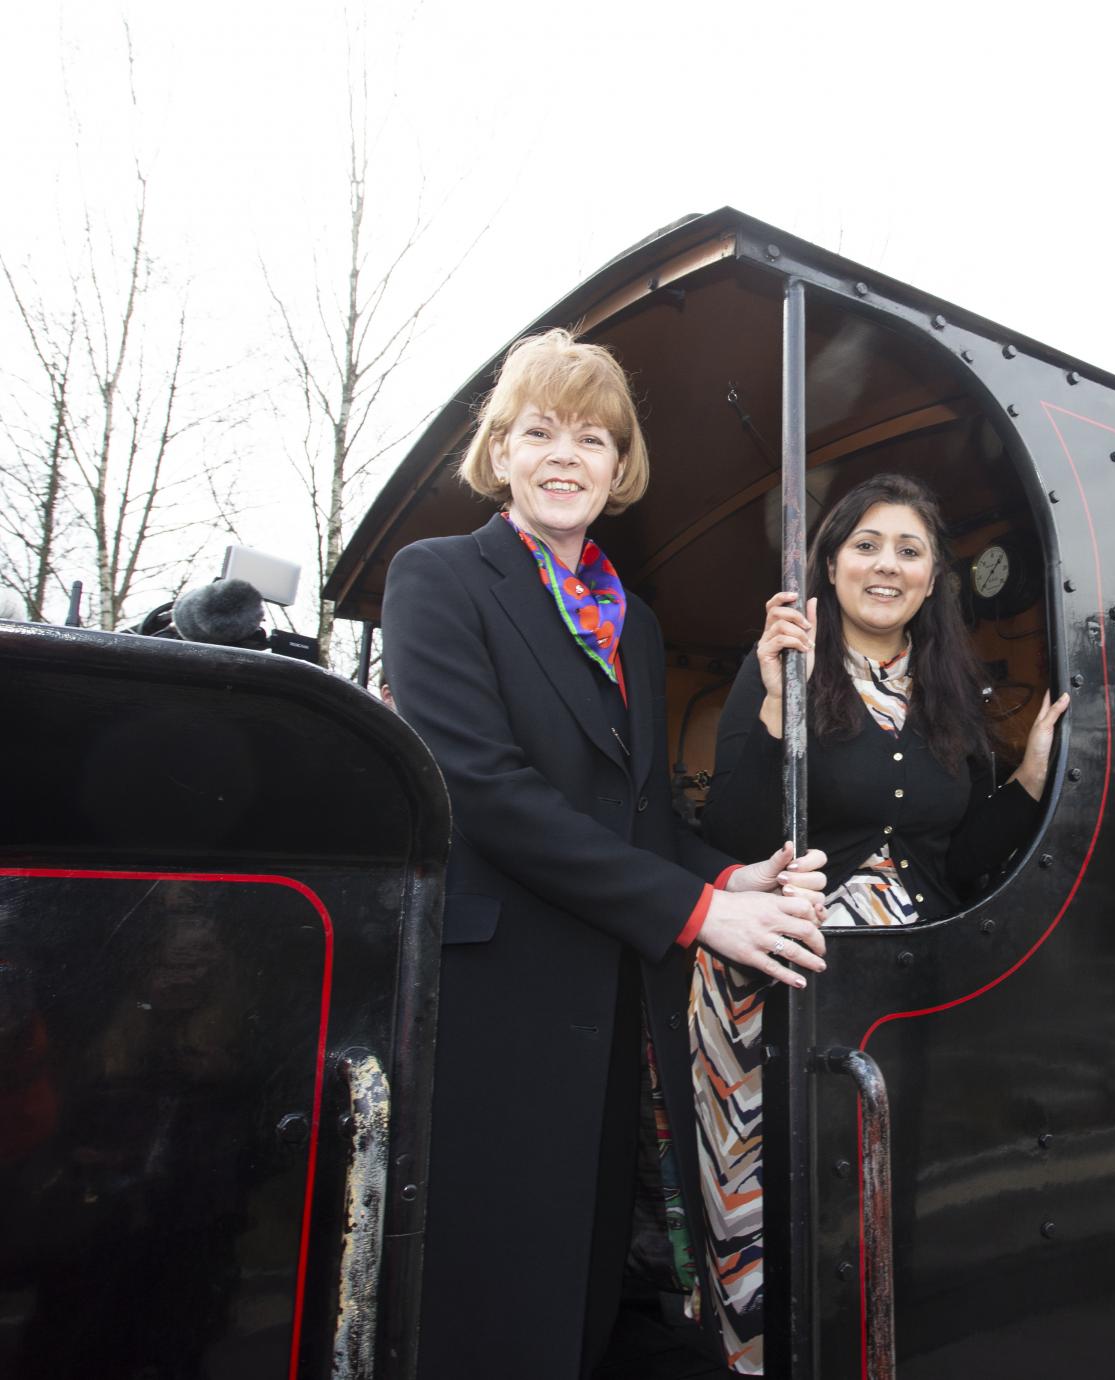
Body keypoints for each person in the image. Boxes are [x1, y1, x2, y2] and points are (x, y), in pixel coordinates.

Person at [381, 329, 831, 1379]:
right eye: (539, 431)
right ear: (499, 453)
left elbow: (628, 811)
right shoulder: (437, 580)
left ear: (618, 467)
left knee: (580, 1290)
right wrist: (695, 913)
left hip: (608, 1001)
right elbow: (485, 790)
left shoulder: (633, 622)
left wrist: (728, 875)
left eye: (592, 436)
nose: (564, 455)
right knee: (489, 1295)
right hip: (492, 1001)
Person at [698, 472, 1068, 1373]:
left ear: (935, 574)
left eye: (909, 549)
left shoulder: (951, 687)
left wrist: (1027, 780)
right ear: (829, 563)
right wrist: (780, 699)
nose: (886, 565)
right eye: (865, 544)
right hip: (783, 965)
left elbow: (960, 857)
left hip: (918, 969)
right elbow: (733, 835)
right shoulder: (778, 661)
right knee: (781, 1200)